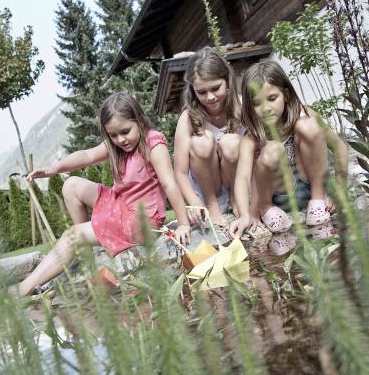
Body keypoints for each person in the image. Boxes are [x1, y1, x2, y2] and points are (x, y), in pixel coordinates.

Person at [18, 92, 191, 296]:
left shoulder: (153, 144)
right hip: (122, 206)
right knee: (71, 185)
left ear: (139, 119)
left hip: (142, 221)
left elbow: (170, 184)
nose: (120, 139)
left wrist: (184, 223)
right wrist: (54, 169)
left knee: (71, 235)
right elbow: (87, 155)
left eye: (125, 131)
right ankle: (86, 256)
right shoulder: (116, 146)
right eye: (113, 135)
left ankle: (23, 289)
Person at [230, 60, 348, 239]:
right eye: (257, 103)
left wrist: (339, 189)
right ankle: (266, 208)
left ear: (285, 94)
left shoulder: (305, 114)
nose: (266, 109)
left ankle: (317, 199)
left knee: (308, 127)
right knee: (272, 149)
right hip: (279, 197)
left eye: (272, 98)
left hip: (311, 186)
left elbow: (339, 147)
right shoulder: (251, 137)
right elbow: (242, 177)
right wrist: (246, 214)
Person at [174, 47, 244, 228]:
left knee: (231, 142)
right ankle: (212, 204)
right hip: (209, 190)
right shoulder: (188, 118)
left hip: (240, 185)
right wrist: (194, 201)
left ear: (227, 80)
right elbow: (180, 172)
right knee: (201, 141)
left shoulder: (242, 108)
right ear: (193, 90)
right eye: (202, 92)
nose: (210, 97)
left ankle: (236, 198)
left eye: (215, 88)